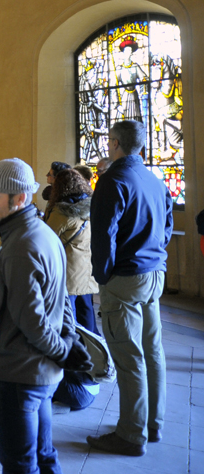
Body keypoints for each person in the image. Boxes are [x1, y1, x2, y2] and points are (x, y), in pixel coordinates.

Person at [0, 158, 90, 474]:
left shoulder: (21, 245)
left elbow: (33, 322)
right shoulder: (41, 231)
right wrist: (67, 341)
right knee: (44, 457)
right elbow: (63, 296)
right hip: (39, 372)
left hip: (19, 373)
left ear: (20, 198)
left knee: (20, 463)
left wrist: (64, 350)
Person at [87, 120, 173, 456]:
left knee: (128, 356)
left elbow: (103, 236)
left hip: (125, 277)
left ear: (115, 143)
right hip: (154, 274)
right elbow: (166, 229)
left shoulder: (113, 180)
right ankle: (153, 423)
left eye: (109, 141)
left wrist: (102, 276)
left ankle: (130, 434)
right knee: (153, 351)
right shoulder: (155, 179)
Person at [45, 169, 98, 334]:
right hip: (89, 266)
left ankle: (74, 346)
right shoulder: (93, 207)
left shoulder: (61, 212)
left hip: (69, 268)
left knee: (69, 312)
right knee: (87, 309)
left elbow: (47, 238)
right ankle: (93, 348)